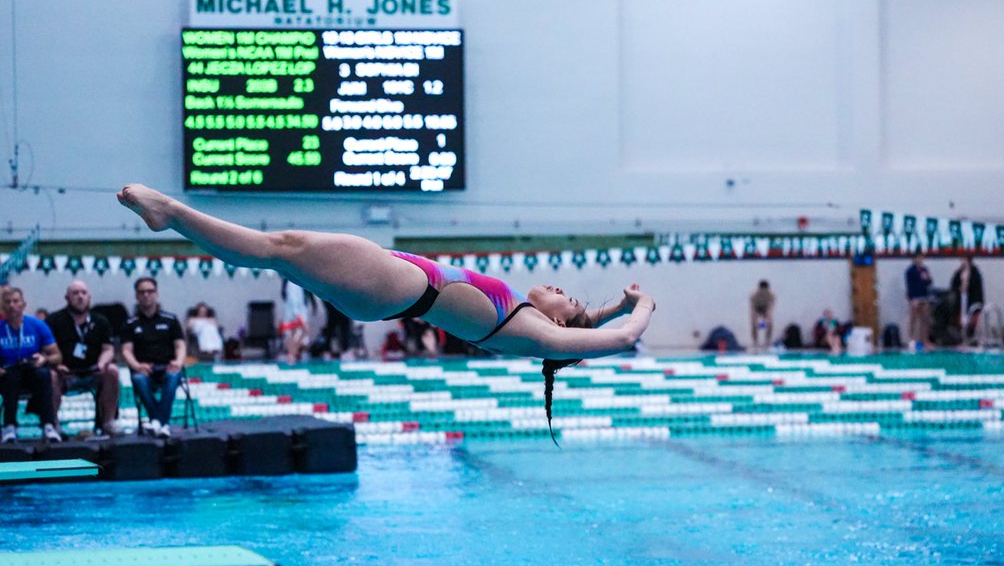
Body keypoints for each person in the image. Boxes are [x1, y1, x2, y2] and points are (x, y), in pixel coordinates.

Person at [116, 184, 655, 433]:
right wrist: (616, 306)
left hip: (394, 285)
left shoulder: (543, 336)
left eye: (567, 297)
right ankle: (174, 216)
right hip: (393, 281)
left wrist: (644, 306)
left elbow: (618, 339)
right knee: (279, 256)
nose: (559, 287)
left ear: (559, 319)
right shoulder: (537, 326)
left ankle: (172, 214)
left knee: (276, 249)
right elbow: (598, 324)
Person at [0, 286, 62, 443]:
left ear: (23, 305)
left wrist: (44, 359)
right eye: (8, 302)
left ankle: (48, 425)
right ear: (3, 307)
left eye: (16, 301)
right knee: (12, 377)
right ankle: (9, 426)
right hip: (7, 373)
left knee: (44, 374)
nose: (12, 305)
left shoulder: (38, 326)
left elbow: (57, 356)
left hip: (32, 372)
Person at [46, 280, 122, 436]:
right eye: (75, 293)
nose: (80, 297)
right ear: (67, 298)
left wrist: (102, 363)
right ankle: (53, 424)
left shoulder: (100, 320)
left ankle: (108, 421)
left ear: (89, 297)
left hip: (93, 371)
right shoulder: (54, 320)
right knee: (50, 376)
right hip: (65, 373)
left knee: (112, 370)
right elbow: (45, 350)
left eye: (83, 293)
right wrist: (56, 366)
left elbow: (108, 349)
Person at [121, 277, 186, 437]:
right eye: (142, 292)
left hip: (167, 367)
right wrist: (137, 366)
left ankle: (156, 422)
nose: (146, 295)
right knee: (139, 379)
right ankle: (162, 424)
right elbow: (126, 351)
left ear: (156, 294)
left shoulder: (170, 319)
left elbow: (180, 345)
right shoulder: (130, 323)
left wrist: (178, 362)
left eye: (150, 291)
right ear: (137, 296)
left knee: (173, 376)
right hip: (144, 369)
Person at [950, 256, 985, 344]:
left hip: (972, 302)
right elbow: (953, 286)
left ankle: (970, 338)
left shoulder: (975, 272)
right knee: (961, 323)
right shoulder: (959, 272)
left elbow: (976, 288)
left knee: (971, 324)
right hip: (961, 303)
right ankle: (961, 339)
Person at [280, 278, 315, 364]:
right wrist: (298, 316)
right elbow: (294, 300)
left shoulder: (296, 282)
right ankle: (292, 355)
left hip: (295, 313)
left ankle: (293, 355)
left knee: (298, 335)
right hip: (295, 314)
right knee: (298, 334)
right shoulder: (293, 283)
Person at [905, 253, 933, 349]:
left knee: (925, 320)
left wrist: (927, 278)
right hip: (915, 299)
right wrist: (912, 299)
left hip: (924, 297)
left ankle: (924, 340)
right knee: (914, 320)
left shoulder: (924, 270)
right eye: (918, 258)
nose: (920, 260)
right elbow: (910, 286)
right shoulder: (910, 271)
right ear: (914, 259)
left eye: (921, 258)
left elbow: (929, 282)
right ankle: (912, 340)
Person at [749, 280, 775, 351]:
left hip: (765, 310)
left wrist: (766, 318)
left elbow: (771, 307)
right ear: (759, 288)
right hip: (757, 309)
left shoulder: (771, 295)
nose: (763, 291)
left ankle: (767, 342)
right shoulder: (754, 295)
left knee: (769, 324)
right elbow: (752, 308)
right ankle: (755, 342)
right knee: (755, 325)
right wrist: (756, 319)